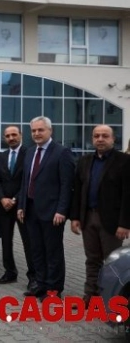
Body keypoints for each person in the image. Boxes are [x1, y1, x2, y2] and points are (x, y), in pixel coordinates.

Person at [71, 125, 130, 304]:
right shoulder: (85, 160)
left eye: (105, 136)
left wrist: (125, 224)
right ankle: (90, 296)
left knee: (112, 262)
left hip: (112, 221)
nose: (100, 139)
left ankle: (111, 301)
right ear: (92, 139)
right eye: (97, 136)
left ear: (113, 139)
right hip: (88, 217)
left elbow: (128, 194)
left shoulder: (124, 161)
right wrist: (75, 217)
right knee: (92, 260)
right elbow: (78, 190)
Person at [17, 116, 74, 299]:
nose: (36, 134)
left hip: (52, 212)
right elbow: (25, 181)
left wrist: (62, 210)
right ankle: (39, 285)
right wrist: (21, 205)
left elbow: (67, 184)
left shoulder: (62, 152)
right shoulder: (30, 152)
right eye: (33, 130)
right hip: (31, 209)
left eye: (40, 130)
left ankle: (53, 289)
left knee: (53, 251)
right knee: (37, 250)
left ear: (50, 131)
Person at [0, 126, 35, 288]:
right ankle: (10, 272)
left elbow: (28, 180)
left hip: (22, 206)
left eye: (14, 135)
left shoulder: (29, 154)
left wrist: (15, 199)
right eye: (8, 136)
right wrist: (2, 198)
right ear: (4, 138)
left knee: (28, 242)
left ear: (21, 136)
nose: (11, 138)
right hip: (4, 207)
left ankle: (33, 276)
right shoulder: (2, 157)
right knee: (6, 242)